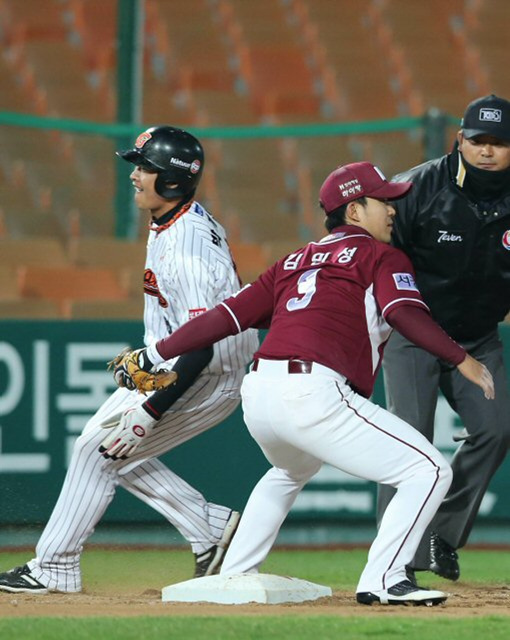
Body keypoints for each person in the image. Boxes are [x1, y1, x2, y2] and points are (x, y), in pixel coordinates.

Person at [105, 162, 494, 606]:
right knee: (428, 469)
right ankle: (384, 579)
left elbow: (225, 318)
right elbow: (404, 313)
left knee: (290, 470)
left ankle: (233, 573)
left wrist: (154, 354)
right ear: (353, 210)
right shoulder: (380, 256)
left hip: (260, 394)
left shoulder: (292, 262)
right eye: (383, 201)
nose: (393, 210)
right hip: (313, 392)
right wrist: (461, 358)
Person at [0, 125, 258, 594]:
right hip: (181, 364)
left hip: (206, 371)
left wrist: (149, 409)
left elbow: (201, 342)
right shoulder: (176, 219)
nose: (135, 176)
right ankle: (209, 528)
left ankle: (54, 566)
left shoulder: (187, 245)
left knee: (96, 451)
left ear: (173, 180)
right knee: (112, 451)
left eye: (146, 168)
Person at [378, 93, 510, 582]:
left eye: (499, 142)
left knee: (497, 429)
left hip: (478, 337)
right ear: (460, 140)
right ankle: (394, 562)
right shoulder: (417, 187)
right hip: (417, 333)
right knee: (408, 440)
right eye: (479, 140)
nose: (488, 151)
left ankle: (442, 535)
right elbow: (378, 256)